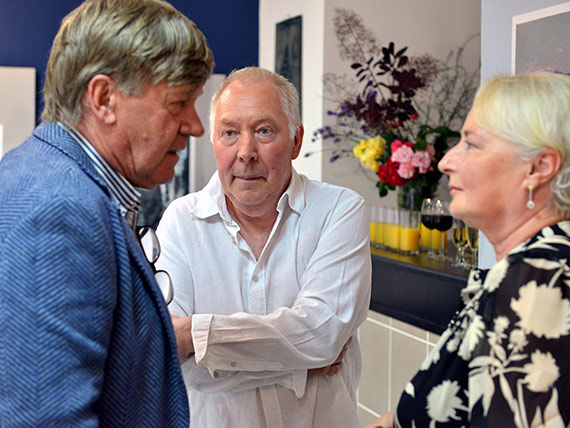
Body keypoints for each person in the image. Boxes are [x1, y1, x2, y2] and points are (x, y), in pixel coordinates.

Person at [0, 0, 214, 426]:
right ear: (104, 99)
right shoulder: (60, 210)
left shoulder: (42, 176)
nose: (196, 126)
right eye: (179, 102)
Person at [156, 67, 371, 428]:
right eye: (229, 133)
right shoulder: (180, 221)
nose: (246, 152)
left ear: (296, 141)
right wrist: (296, 369)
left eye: (264, 131)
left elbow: (323, 336)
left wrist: (194, 335)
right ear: (214, 142)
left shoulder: (339, 210)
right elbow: (178, 368)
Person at [366, 72, 570, 428]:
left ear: (539, 167)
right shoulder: (535, 265)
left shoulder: (538, 278)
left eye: (471, 144)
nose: (446, 161)